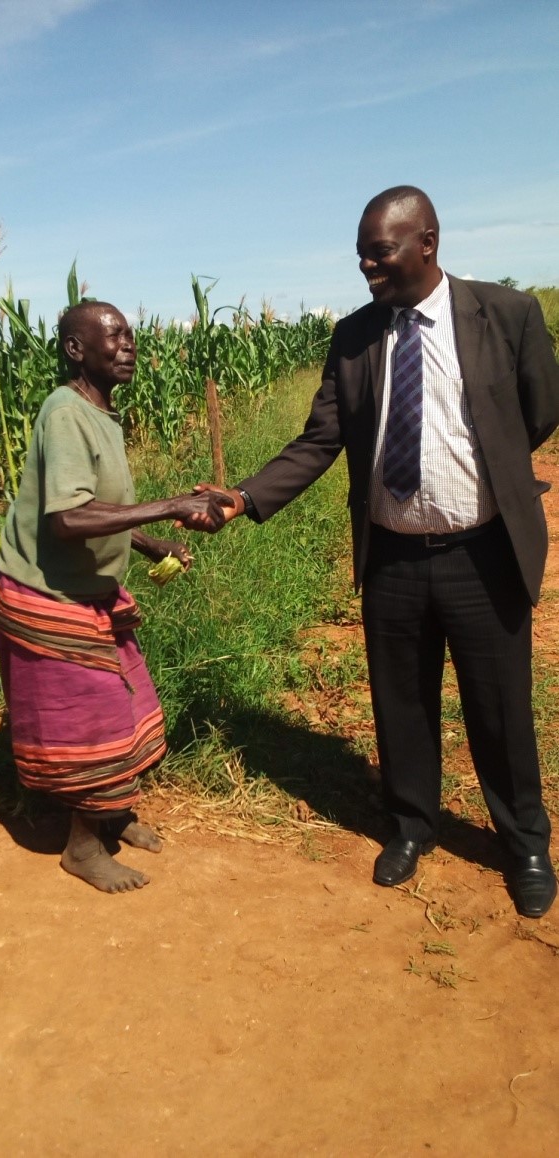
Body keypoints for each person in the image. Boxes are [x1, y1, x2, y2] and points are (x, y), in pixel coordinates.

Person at [189, 186, 559, 918]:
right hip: (391, 557)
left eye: (378, 249)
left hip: (481, 554)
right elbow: (321, 437)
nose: (365, 264)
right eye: (360, 251)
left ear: (426, 242)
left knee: (499, 710)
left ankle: (523, 843)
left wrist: (494, 476)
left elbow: (539, 411)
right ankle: (411, 825)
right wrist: (243, 496)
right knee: (400, 705)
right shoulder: (355, 335)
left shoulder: (504, 315)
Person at [0, 301, 231, 893]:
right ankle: (83, 846)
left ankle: (112, 814)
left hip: (88, 592)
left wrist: (148, 544)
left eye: (130, 334)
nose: (129, 344)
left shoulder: (101, 413)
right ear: (76, 349)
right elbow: (69, 519)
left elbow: (101, 508)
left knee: (131, 701)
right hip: (44, 594)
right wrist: (174, 503)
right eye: (114, 335)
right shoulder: (65, 412)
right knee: (94, 718)